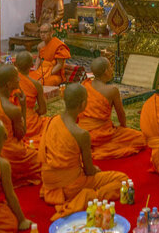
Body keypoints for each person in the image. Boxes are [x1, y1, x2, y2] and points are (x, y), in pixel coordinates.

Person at [39, 83, 128, 220]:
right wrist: (95, 170)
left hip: (49, 184)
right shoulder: (81, 133)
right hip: (72, 185)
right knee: (123, 181)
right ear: (83, 104)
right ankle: (90, 196)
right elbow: (89, 171)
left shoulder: (52, 121)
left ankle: (83, 194)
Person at [0, 63, 41, 186]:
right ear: (9, 84)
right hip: (9, 154)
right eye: (16, 77)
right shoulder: (12, 109)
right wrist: (24, 107)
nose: (20, 79)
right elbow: (21, 135)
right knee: (41, 160)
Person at [77, 57, 146, 159]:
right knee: (140, 138)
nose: (112, 70)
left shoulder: (84, 86)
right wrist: (123, 128)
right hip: (101, 134)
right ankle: (102, 146)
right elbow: (121, 114)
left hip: (82, 133)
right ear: (106, 71)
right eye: (110, 67)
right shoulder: (112, 90)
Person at [14, 50, 48, 148]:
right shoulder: (36, 84)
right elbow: (43, 110)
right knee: (50, 124)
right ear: (32, 65)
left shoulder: (8, 81)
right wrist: (33, 114)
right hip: (30, 123)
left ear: (15, 64)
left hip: (10, 119)